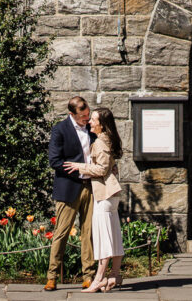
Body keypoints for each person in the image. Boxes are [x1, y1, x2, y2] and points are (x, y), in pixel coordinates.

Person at [63, 106, 124, 293]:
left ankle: (99, 279)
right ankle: (114, 275)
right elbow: (109, 167)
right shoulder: (108, 140)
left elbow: (102, 170)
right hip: (110, 194)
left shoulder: (100, 143)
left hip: (104, 195)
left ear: (102, 125)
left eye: (94, 120)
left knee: (104, 238)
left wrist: (79, 167)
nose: (90, 122)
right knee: (114, 235)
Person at [45, 96, 97, 291]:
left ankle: (89, 276)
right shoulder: (60, 129)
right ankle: (52, 276)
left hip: (90, 186)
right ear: (71, 114)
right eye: (83, 117)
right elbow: (55, 161)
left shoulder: (92, 129)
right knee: (61, 233)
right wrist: (79, 168)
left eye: (88, 115)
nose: (87, 119)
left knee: (89, 232)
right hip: (68, 186)